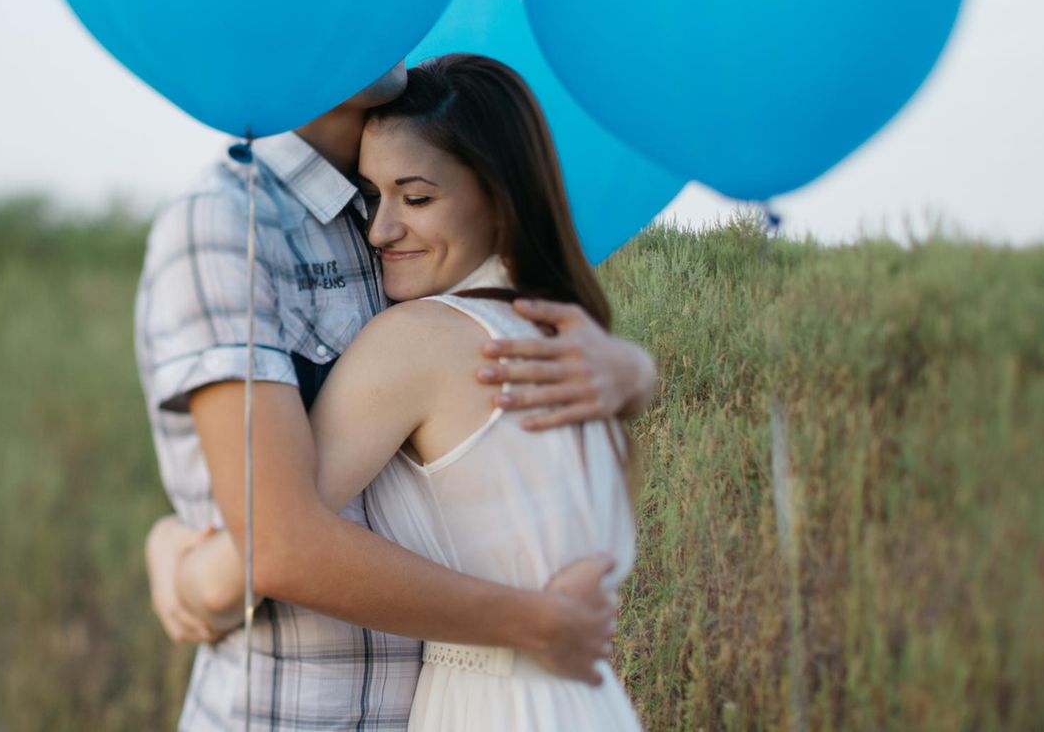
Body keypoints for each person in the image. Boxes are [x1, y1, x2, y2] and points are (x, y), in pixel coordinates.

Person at [136, 59, 657, 730]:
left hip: (487, 698)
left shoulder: (425, 333)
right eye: (379, 197)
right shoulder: (559, 331)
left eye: (414, 198)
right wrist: (636, 370)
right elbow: (278, 538)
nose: (382, 228)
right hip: (569, 704)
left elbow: (262, 550)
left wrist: (176, 555)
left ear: (499, 197)